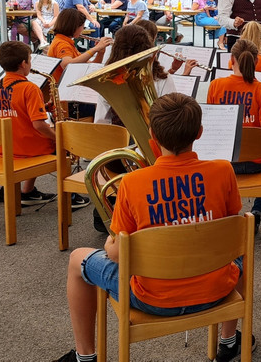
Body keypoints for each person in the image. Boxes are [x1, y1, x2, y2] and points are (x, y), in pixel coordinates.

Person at [53, 93, 250, 362]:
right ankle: (228, 342)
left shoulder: (133, 183)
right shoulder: (224, 170)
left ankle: (84, 357)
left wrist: (112, 243)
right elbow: (230, 229)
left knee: (77, 260)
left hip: (152, 299)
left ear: (152, 137)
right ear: (200, 132)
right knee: (240, 249)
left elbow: (117, 253)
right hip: (216, 291)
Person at [207, 39, 261, 231]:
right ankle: (257, 211)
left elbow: (212, 127)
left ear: (232, 60)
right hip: (255, 163)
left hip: (226, 162)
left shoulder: (215, 86)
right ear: (256, 62)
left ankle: (227, 212)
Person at [0, 41, 58, 204]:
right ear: (23, 64)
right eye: (30, 60)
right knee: (63, 143)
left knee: (42, 134)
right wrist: (58, 137)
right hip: (27, 148)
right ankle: (70, 197)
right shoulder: (30, 88)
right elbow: (39, 125)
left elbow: (14, 110)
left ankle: (28, 191)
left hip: (5, 146)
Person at [48, 8, 112, 82]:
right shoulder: (62, 43)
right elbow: (67, 65)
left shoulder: (66, 41)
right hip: (63, 86)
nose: (82, 30)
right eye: (82, 27)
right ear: (74, 27)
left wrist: (100, 52)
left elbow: (92, 66)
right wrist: (94, 49)